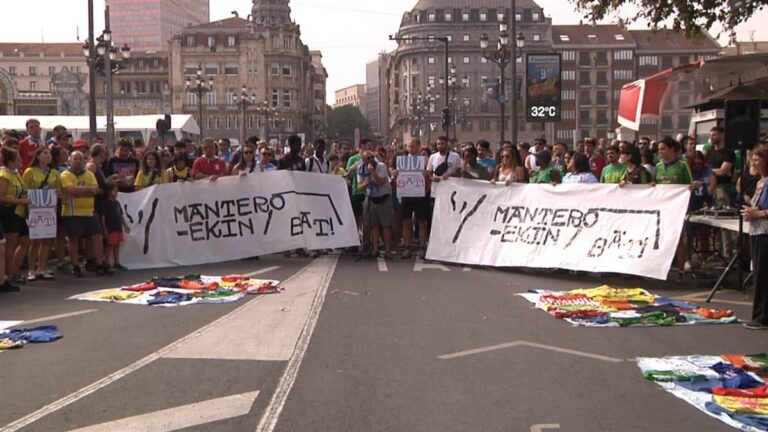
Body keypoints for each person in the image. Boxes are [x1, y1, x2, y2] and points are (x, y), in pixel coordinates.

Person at [61, 151, 111, 277]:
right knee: (74, 240)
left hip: (89, 211)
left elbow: (95, 190)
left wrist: (81, 191)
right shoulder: (65, 175)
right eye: (75, 159)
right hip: (72, 212)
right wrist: (87, 189)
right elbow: (70, 190)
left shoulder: (89, 174)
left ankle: (99, 264)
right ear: (69, 160)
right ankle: (76, 266)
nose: (78, 161)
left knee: (97, 237)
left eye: (80, 159)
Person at [655, 136, 693, 282]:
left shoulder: (682, 166)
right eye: (659, 149)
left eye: (663, 149)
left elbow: (689, 186)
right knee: (662, 239)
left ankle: (681, 270)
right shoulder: (658, 167)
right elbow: (653, 184)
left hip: (678, 210)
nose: (660, 152)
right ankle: (663, 268)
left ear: (672, 150)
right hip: (661, 209)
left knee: (679, 240)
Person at [741, 147, 768, 329]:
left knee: (763, 276)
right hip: (757, 232)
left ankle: (762, 317)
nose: (753, 163)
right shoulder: (760, 182)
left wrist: (757, 214)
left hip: (765, 232)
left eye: (757, 160)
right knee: (760, 274)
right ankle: (759, 315)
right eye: (752, 160)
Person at [22, 147, 59, 281]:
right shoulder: (29, 171)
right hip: (34, 209)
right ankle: (31, 269)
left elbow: (58, 189)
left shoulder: (54, 172)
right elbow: (24, 188)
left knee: (47, 240)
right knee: (35, 240)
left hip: (49, 209)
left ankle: (41, 269)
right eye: (44, 153)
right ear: (37, 156)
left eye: (49, 154)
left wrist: (57, 193)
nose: (48, 156)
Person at [0, 148, 31, 284]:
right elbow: (1, 197)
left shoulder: (17, 173)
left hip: (20, 212)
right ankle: (7, 274)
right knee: (11, 244)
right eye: (18, 159)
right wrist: (20, 201)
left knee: (25, 241)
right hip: (9, 213)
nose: (21, 161)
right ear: (11, 161)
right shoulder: (4, 175)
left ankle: (14, 270)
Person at [397, 139, 430, 259]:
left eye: (413, 146)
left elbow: (430, 174)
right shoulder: (403, 161)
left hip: (420, 194)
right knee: (406, 221)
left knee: (421, 221)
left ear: (419, 147)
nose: (411, 149)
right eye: (409, 147)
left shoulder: (425, 160)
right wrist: (396, 173)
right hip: (407, 194)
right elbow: (398, 176)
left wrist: (426, 173)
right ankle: (407, 247)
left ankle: (422, 247)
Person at [358, 150, 394, 259]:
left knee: (386, 226)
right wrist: (365, 183)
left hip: (384, 198)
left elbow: (382, 181)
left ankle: (388, 250)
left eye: (372, 157)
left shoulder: (381, 166)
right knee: (374, 226)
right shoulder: (361, 169)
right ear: (363, 160)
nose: (371, 160)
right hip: (371, 198)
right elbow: (359, 186)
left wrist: (373, 172)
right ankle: (375, 249)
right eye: (368, 158)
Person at [102, 182, 130, 271]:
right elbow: (103, 216)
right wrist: (104, 228)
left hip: (118, 227)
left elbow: (120, 215)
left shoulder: (117, 203)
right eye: (114, 190)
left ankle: (116, 262)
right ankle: (107, 262)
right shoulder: (106, 203)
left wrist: (125, 225)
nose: (116, 192)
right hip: (111, 227)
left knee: (117, 245)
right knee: (110, 245)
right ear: (109, 192)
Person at [706, 126, 736, 206]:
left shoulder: (729, 152)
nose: (711, 137)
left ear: (722, 135)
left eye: (714, 135)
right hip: (710, 187)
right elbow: (704, 169)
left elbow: (723, 171)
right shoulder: (709, 152)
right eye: (710, 135)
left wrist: (709, 171)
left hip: (723, 188)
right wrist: (714, 171)